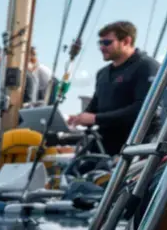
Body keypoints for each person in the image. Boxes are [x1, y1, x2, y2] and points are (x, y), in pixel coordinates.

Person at [66, 21, 160, 156]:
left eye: (107, 43)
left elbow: (144, 109)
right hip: (106, 143)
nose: (102, 48)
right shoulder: (102, 74)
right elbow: (94, 107)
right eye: (100, 43)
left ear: (126, 41)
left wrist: (95, 119)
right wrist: (78, 118)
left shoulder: (147, 66)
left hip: (135, 145)